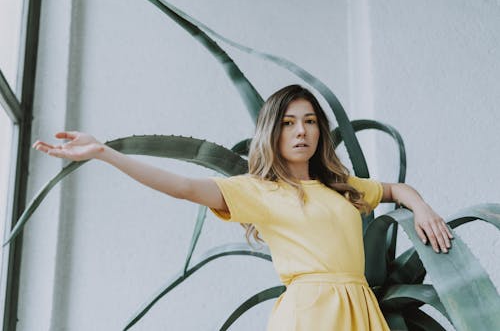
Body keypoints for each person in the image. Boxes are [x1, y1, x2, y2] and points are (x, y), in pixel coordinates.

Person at [33, 84, 453, 330]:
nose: (301, 131)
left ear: (320, 131)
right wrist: (107, 152)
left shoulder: (341, 187)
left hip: (360, 307)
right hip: (310, 315)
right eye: (288, 122)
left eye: (309, 121)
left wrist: (424, 209)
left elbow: (395, 189)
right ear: (272, 131)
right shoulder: (259, 191)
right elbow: (182, 186)